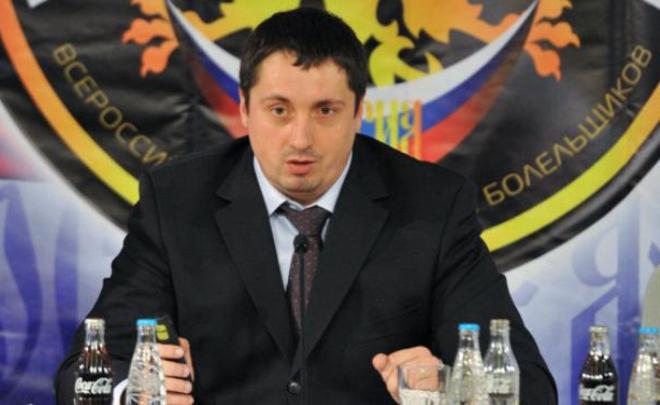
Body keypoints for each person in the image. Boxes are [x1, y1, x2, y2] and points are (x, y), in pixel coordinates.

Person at [55, 7, 557, 405]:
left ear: (358, 112)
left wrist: (448, 387)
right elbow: (85, 371)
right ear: (244, 109)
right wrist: (134, 391)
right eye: (279, 110)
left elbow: (530, 387)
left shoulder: (433, 206)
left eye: (326, 111)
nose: (301, 138)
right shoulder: (176, 203)